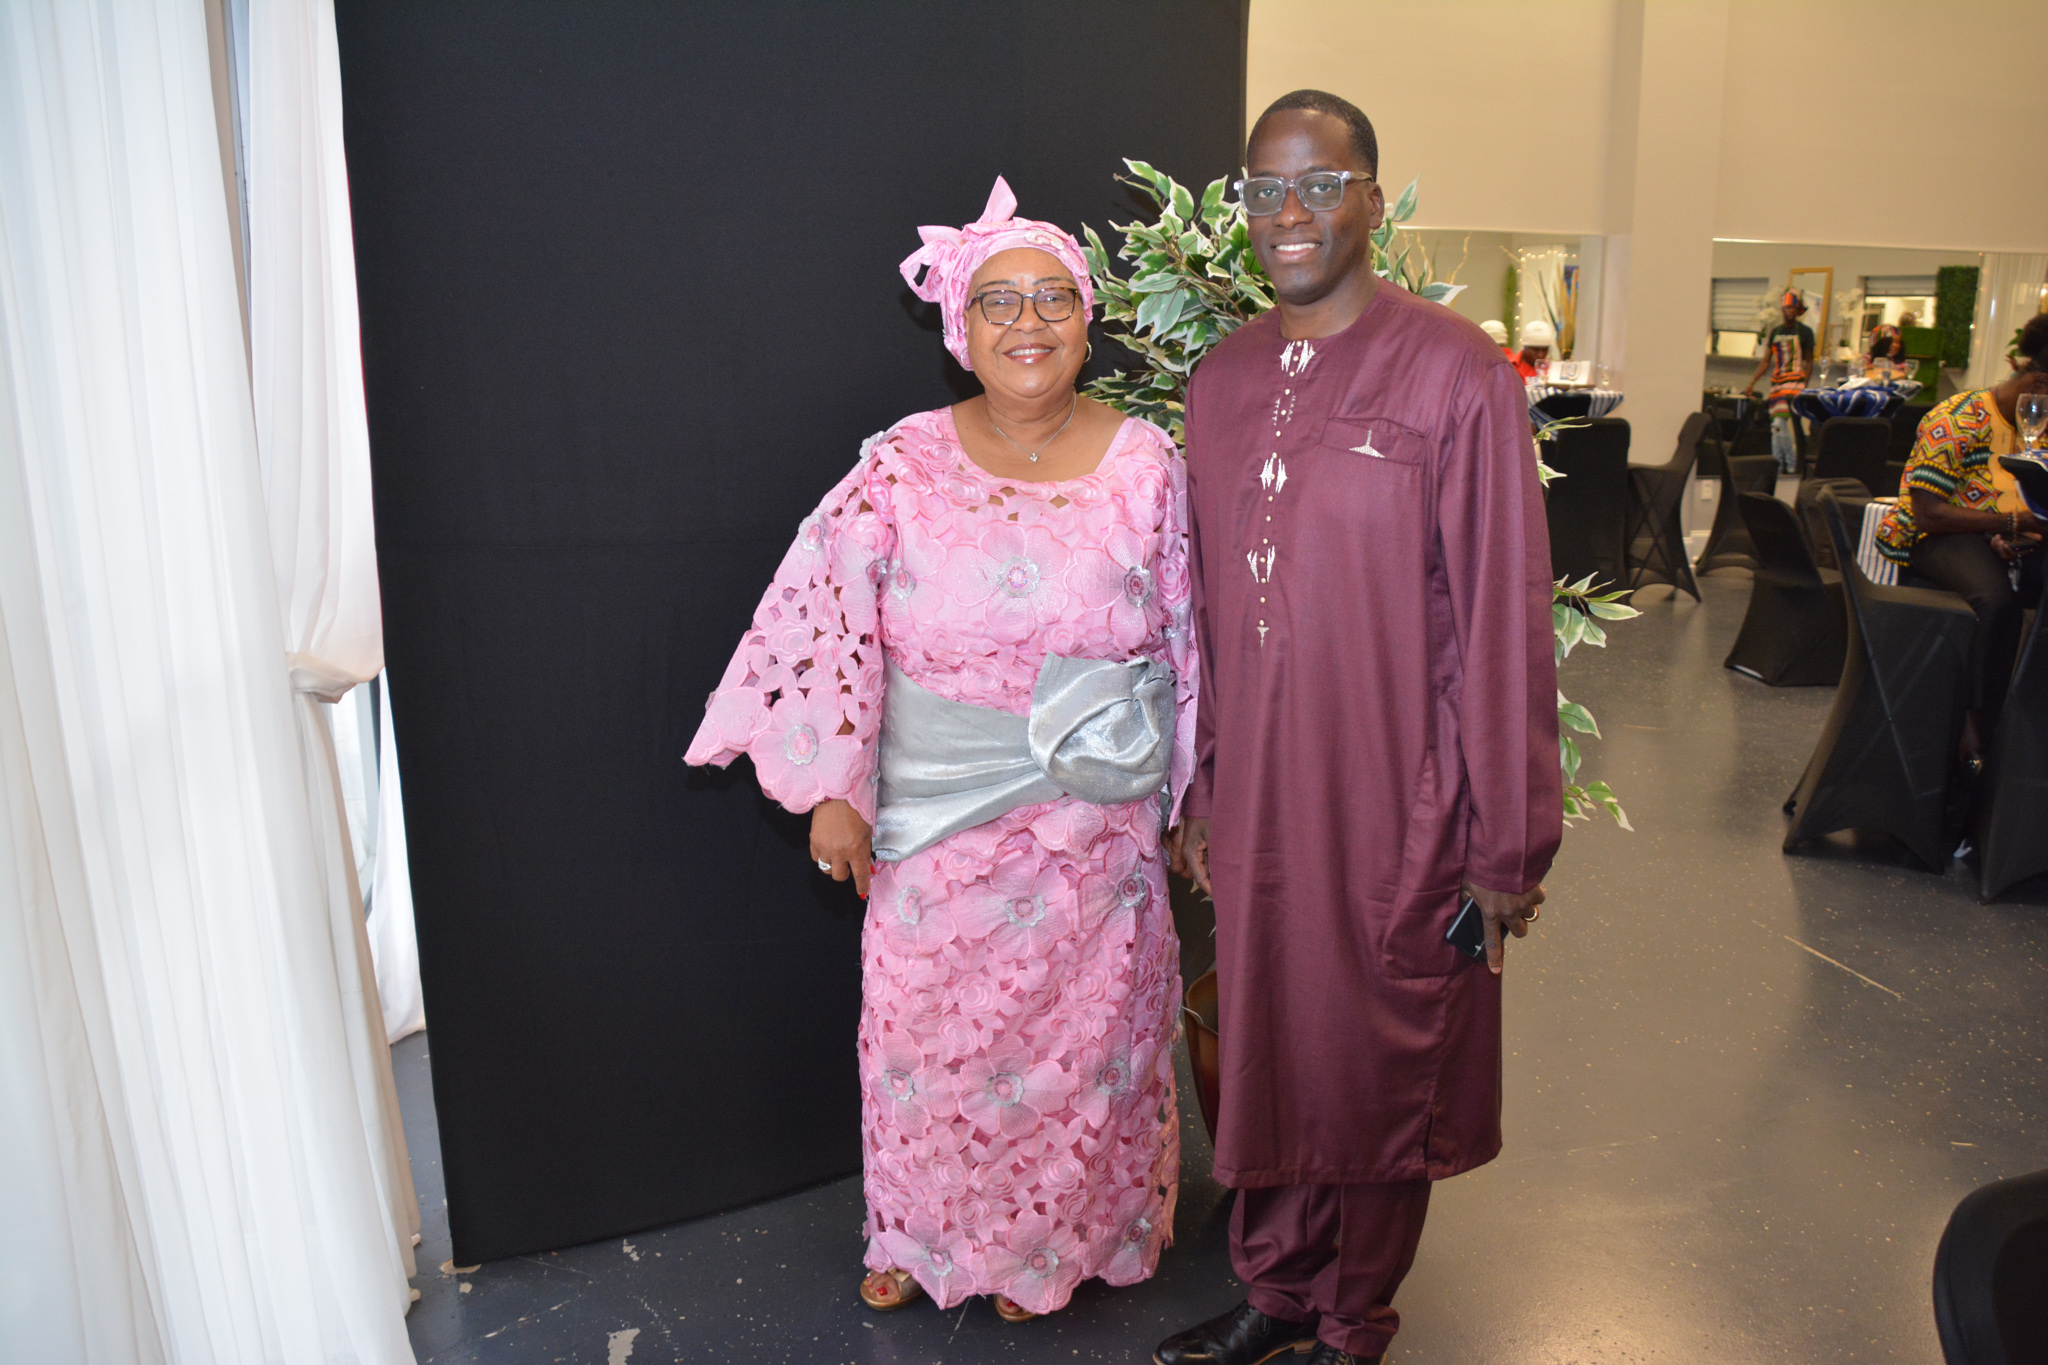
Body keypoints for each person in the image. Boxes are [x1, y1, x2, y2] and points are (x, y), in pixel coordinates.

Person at [684, 178, 1195, 1323]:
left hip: (1094, 829)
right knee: (930, 1044)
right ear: (959, 328)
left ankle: (1049, 1247)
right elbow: (830, 620)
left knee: (1081, 1044)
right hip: (936, 819)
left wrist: (1189, 795)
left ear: (1087, 319)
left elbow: (1187, 640)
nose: (1028, 322)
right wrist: (835, 789)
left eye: (1052, 297)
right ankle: (920, 1236)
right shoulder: (901, 462)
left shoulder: (1149, 465)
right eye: (998, 301)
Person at [1155, 89, 1561, 1365]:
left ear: (1371, 201)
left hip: (1403, 796)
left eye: (1320, 184)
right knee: (1273, 1044)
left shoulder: (1454, 373)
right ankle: (1274, 1292)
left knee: (1380, 1052)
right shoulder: (1219, 382)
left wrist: (1505, 842)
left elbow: (1502, 614)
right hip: (1260, 800)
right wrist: (1202, 786)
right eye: (1262, 189)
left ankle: (1351, 1320)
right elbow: (1205, 609)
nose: (1289, 212)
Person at [1875, 313, 2048, 756]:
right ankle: (1975, 727)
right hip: (1933, 536)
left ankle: (2026, 723)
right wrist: (2008, 525)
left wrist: (2015, 532)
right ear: (2039, 386)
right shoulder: (1958, 417)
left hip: (2003, 533)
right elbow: (1928, 513)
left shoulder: (2041, 430)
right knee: (1995, 600)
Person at [1744, 289, 1815, 474]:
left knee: (1779, 424)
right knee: (1775, 428)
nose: (1791, 311)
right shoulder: (1776, 332)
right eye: (1788, 308)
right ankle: (1777, 465)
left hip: (1795, 382)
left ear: (1798, 310)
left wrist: (1805, 385)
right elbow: (1766, 361)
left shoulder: (1805, 332)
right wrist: (1752, 382)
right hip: (1777, 383)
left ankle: (1790, 464)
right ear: (1782, 309)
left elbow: (1809, 361)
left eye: (1794, 308)